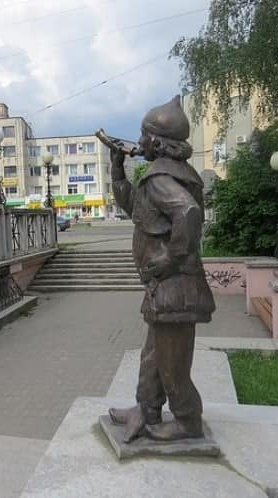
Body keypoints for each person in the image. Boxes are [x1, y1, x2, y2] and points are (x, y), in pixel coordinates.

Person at [108, 95, 215, 443]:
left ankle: (187, 420)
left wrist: (171, 258)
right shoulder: (174, 174)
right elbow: (138, 211)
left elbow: (187, 213)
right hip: (165, 287)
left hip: (174, 285)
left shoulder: (160, 177)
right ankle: (146, 410)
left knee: (172, 363)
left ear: (156, 141)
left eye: (144, 135)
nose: (139, 142)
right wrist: (116, 170)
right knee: (154, 355)